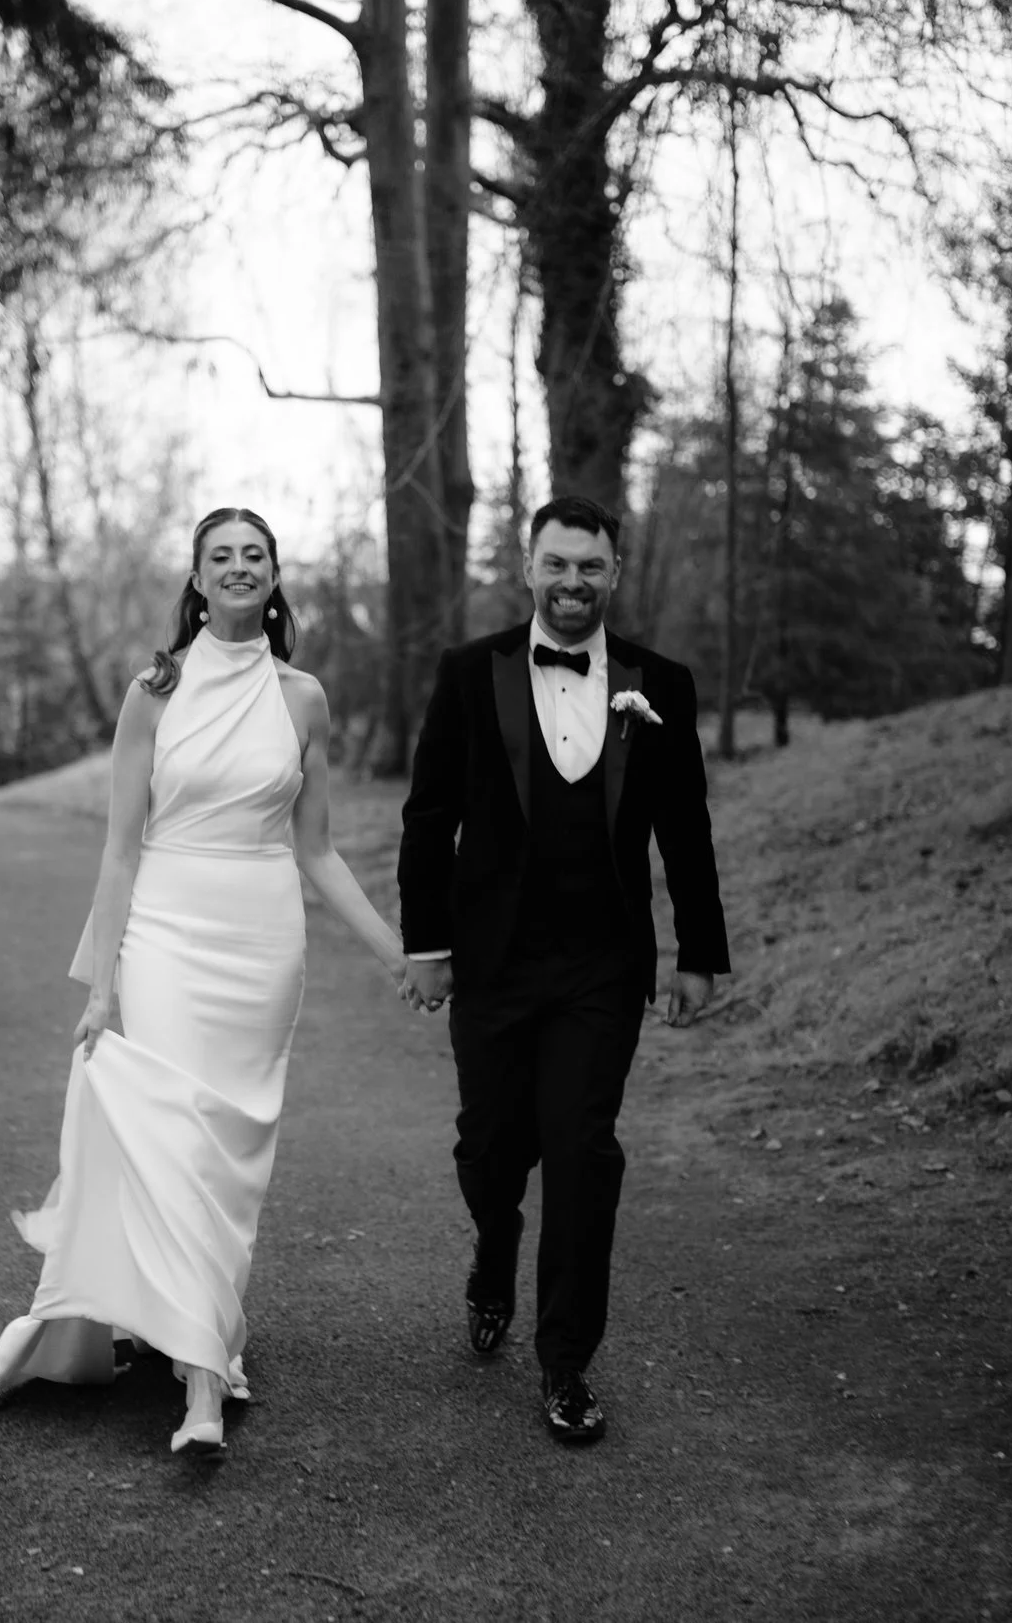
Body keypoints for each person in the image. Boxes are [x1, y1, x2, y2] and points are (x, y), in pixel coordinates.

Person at [0, 507, 409, 1458]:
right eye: (220, 555)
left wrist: (396, 952)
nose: (238, 567)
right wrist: (103, 984)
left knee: (227, 1161)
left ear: (273, 576)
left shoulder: (304, 698)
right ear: (196, 576)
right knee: (173, 1141)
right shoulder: (154, 690)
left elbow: (320, 849)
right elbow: (119, 847)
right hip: (167, 936)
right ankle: (202, 1382)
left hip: (263, 947)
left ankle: (206, 1333)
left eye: (253, 554)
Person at [397, 494, 730, 1444]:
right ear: (528, 566)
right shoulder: (470, 673)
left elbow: (686, 828)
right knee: (489, 1149)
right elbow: (428, 817)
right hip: (494, 961)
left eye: (591, 567)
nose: (573, 582)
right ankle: (494, 1245)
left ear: (614, 573)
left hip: (602, 965)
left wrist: (698, 953)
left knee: (583, 1152)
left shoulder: (659, 680)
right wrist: (428, 947)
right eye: (558, 564)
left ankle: (567, 1364)